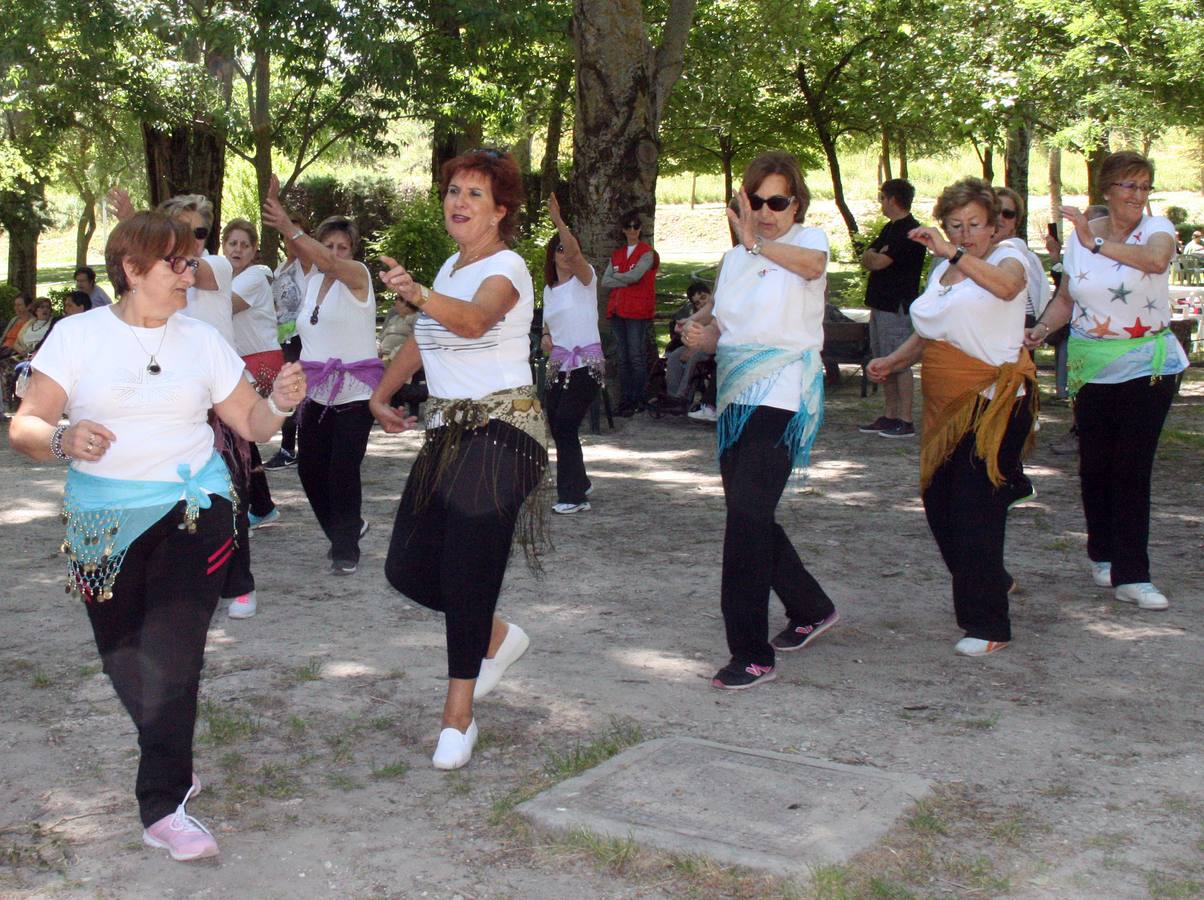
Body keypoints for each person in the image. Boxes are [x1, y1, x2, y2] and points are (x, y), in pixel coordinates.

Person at [8, 210, 306, 863]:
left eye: (191, 262)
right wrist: (63, 438)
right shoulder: (77, 335)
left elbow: (252, 423)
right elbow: (25, 427)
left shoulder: (202, 340)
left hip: (194, 506)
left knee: (173, 653)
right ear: (132, 268)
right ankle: (168, 749)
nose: (189, 275)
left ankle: (163, 808)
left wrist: (281, 402)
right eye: (176, 263)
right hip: (100, 521)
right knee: (123, 658)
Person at [371, 148, 547, 769]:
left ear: (500, 211)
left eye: (476, 193)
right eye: (453, 190)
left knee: (470, 570)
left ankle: (458, 717)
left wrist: (418, 293)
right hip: (447, 432)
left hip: (504, 432)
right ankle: (497, 636)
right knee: (407, 568)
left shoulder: (508, 267)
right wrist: (381, 394)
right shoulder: (449, 268)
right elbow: (427, 340)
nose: (460, 201)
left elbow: (473, 322)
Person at [682, 151, 839, 690]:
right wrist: (702, 335)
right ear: (742, 200)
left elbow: (812, 269)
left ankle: (751, 653)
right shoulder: (735, 260)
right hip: (736, 399)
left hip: (785, 393)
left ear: (797, 204)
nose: (767, 211)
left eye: (778, 202)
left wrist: (755, 242)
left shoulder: (809, 241)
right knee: (749, 514)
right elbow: (725, 329)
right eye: (757, 201)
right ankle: (810, 606)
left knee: (746, 520)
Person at [868, 177, 1034, 657]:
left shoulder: (1009, 258)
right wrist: (893, 360)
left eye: (975, 225)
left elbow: (1008, 289)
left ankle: (988, 624)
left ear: (994, 225)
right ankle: (990, 578)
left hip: (995, 401)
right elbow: (929, 331)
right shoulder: (943, 271)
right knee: (939, 503)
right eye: (956, 225)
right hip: (946, 407)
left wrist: (953, 253)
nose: (965, 234)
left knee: (973, 507)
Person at [1024, 151, 1185, 611]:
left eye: (1144, 186)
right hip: (1091, 363)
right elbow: (1067, 296)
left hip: (1148, 363)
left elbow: (1155, 262)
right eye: (1129, 186)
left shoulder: (1155, 229)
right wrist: (1041, 329)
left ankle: (1134, 575)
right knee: (1095, 464)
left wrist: (1093, 243)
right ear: (1107, 190)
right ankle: (1104, 553)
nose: (1138, 195)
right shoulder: (1083, 237)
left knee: (1132, 466)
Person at [262, 177, 383, 575]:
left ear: (352, 251)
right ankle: (344, 529)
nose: (333, 252)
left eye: (342, 246)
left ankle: (345, 549)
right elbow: (306, 256)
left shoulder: (358, 276)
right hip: (315, 391)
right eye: (327, 244)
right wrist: (282, 222)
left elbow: (327, 261)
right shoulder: (312, 281)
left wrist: (287, 224)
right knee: (310, 469)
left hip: (355, 392)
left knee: (342, 470)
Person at [539, 192, 602, 515]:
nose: (565, 254)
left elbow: (575, 254)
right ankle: (580, 480)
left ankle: (574, 496)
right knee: (557, 423)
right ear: (551, 256)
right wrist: (546, 336)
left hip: (586, 364)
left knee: (565, 424)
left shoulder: (585, 279)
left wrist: (558, 221)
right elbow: (549, 324)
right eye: (559, 250)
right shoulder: (549, 290)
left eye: (568, 248)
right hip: (559, 365)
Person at [223, 219, 282, 534]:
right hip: (245, 360)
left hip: (259, 361)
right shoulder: (229, 278)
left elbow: (223, 308)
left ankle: (255, 505)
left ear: (254, 249)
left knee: (239, 429)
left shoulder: (254, 277)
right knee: (240, 434)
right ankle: (260, 505)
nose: (238, 249)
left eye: (245, 245)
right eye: (232, 243)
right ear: (223, 246)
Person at [858, 178, 926, 438]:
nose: (881, 203)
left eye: (882, 198)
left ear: (893, 199)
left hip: (896, 306)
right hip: (879, 304)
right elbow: (868, 256)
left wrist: (876, 255)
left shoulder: (910, 231)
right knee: (882, 361)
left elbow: (878, 262)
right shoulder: (890, 228)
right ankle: (889, 415)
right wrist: (874, 254)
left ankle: (905, 419)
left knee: (898, 362)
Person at [263, 218, 312, 470]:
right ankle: (288, 446)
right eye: (286, 235)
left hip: (304, 337)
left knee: (297, 391)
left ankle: (296, 447)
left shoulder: (310, 266)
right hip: (283, 338)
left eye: (295, 234)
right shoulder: (281, 268)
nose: (290, 240)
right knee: (287, 389)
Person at [601, 210, 659, 416]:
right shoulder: (617, 254)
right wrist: (625, 278)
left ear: (640, 229)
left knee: (636, 356)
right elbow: (605, 280)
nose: (632, 230)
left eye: (636, 226)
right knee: (623, 357)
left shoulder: (647, 253)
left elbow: (636, 276)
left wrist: (619, 276)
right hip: (618, 310)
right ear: (623, 230)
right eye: (628, 226)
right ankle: (626, 399)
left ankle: (639, 398)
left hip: (637, 311)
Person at [993, 186, 1050, 328]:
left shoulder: (1027, 257)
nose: (1000, 218)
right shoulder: (965, 257)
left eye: (1008, 214)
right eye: (994, 211)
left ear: (1016, 222)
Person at [658, 281, 715, 414]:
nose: (702, 303)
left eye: (703, 298)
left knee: (694, 358)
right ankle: (672, 395)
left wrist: (693, 349)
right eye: (697, 303)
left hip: (713, 346)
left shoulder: (716, 309)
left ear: (710, 294)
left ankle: (682, 397)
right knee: (674, 356)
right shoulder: (697, 314)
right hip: (696, 344)